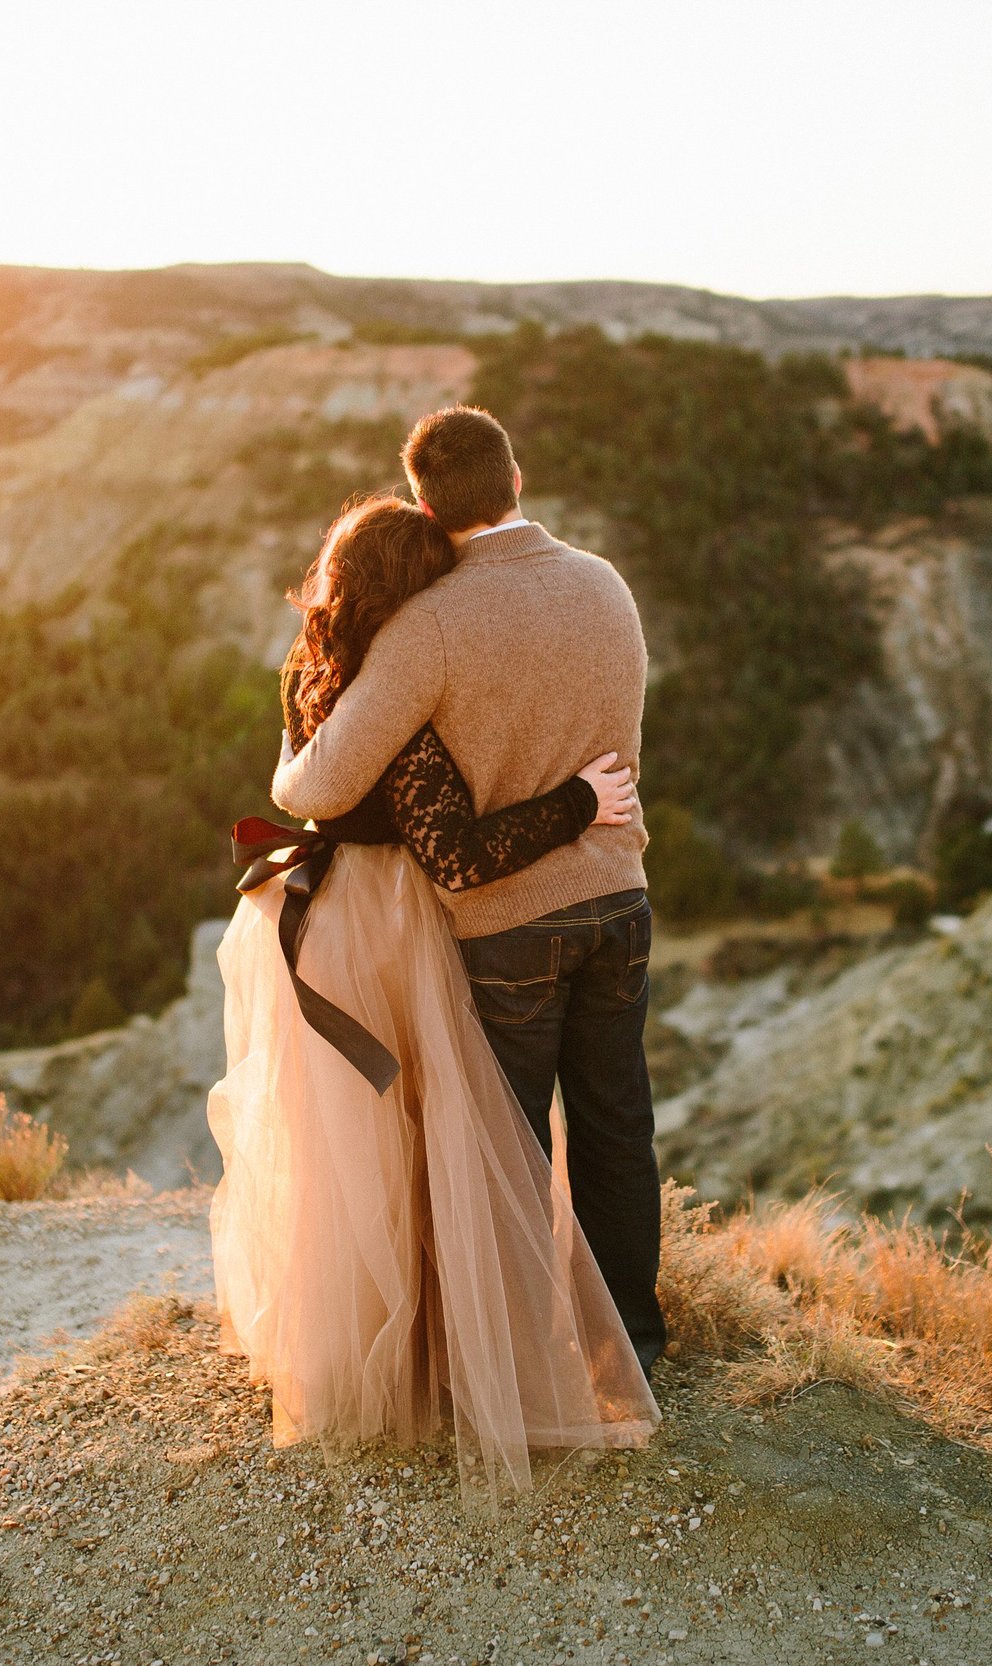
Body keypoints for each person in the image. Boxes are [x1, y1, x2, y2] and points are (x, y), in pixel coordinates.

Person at [208, 493, 657, 1495]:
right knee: (457, 1143)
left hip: (319, 927)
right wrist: (582, 801)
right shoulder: (404, 708)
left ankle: (375, 1356)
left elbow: (301, 785)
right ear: (411, 598)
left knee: (353, 1157)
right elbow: (453, 855)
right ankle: (491, 1364)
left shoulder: (312, 675)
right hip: (391, 928)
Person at [271, 407, 666, 1383]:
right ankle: (637, 1355)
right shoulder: (607, 585)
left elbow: (321, 786)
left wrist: (286, 766)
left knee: (507, 1152)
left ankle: (524, 1366)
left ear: (425, 505)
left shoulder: (429, 625)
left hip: (507, 922)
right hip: (620, 899)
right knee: (619, 1129)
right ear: (516, 479)